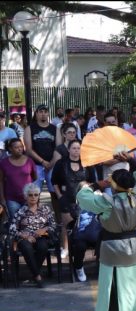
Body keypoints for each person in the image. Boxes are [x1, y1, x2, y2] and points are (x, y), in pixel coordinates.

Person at [76, 152, 136, 311]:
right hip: (135, 248)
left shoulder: (107, 202)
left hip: (113, 251)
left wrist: (97, 185)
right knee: (134, 291)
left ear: (114, 185)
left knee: (114, 294)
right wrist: (131, 160)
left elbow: (81, 196)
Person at [8, 183, 56, 288]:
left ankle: (33, 273)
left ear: (39, 195)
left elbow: (53, 225)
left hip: (41, 236)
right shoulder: (21, 211)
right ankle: (37, 276)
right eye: (30, 195)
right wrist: (23, 235)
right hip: (25, 238)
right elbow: (12, 229)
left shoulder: (45, 209)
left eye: (36, 195)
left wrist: (44, 229)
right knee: (26, 247)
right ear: (26, 196)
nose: (33, 197)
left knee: (42, 246)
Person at [51, 140, 88, 270]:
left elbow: (92, 181)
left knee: (81, 225)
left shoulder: (86, 163)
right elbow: (54, 181)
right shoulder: (61, 163)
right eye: (73, 148)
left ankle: (79, 248)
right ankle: (65, 248)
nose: (76, 150)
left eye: (78, 148)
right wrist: (60, 196)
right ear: (69, 150)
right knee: (66, 226)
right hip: (66, 198)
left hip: (84, 200)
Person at [24, 104, 61, 192]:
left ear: (48, 114)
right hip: (35, 165)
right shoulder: (29, 128)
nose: (43, 114)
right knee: (34, 193)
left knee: (55, 193)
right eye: (40, 112)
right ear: (36, 114)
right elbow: (28, 149)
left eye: (45, 112)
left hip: (52, 164)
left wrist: (51, 163)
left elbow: (59, 148)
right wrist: (43, 162)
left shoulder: (55, 129)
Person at [0, 138, 37, 221]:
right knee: (14, 222)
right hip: (11, 198)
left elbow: (35, 178)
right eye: (16, 147)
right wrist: (2, 198)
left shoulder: (29, 161)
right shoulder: (3, 163)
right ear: (10, 149)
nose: (20, 149)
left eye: (21, 146)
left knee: (28, 222)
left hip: (28, 198)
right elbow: (1, 181)